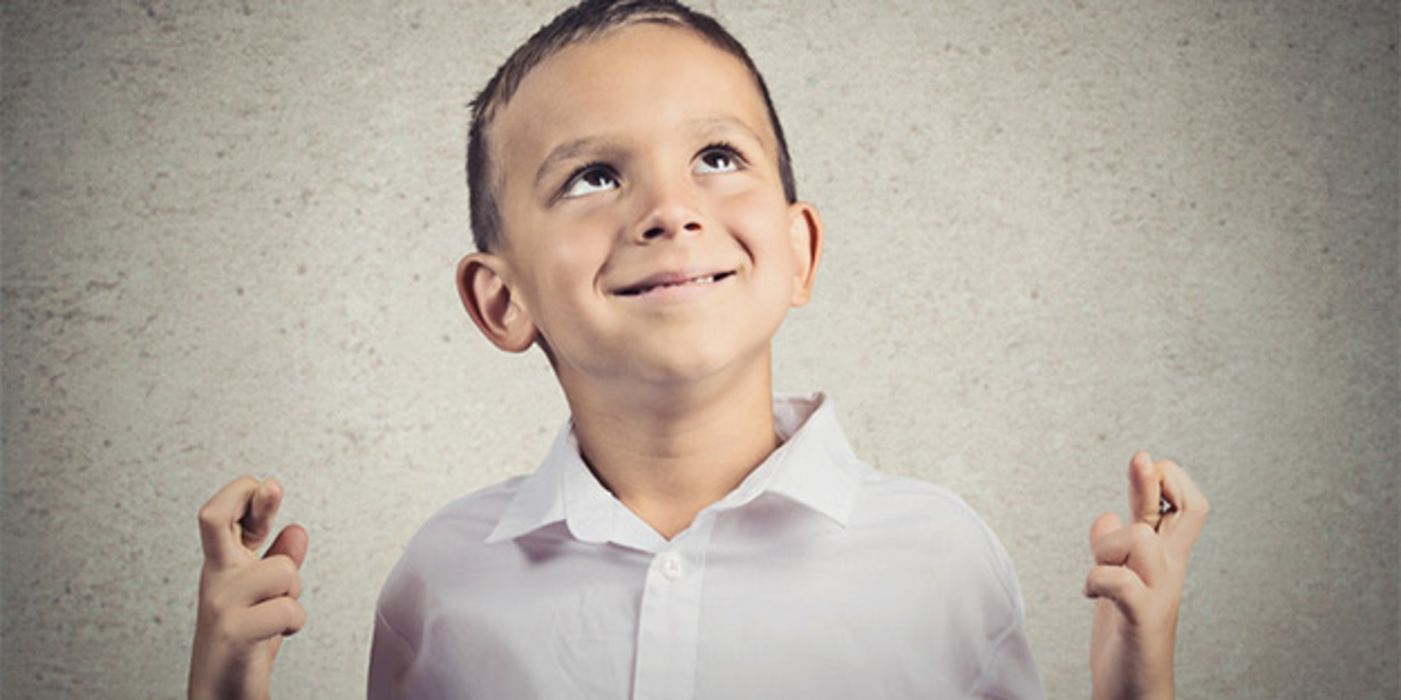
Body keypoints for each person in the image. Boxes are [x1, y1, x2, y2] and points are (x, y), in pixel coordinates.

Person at [187, 1, 1211, 698]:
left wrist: (1136, 681)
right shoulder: (441, 582)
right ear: (500, 300)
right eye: (592, 175)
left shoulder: (944, 559)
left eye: (717, 157)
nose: (671, 209)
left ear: (799, 250)